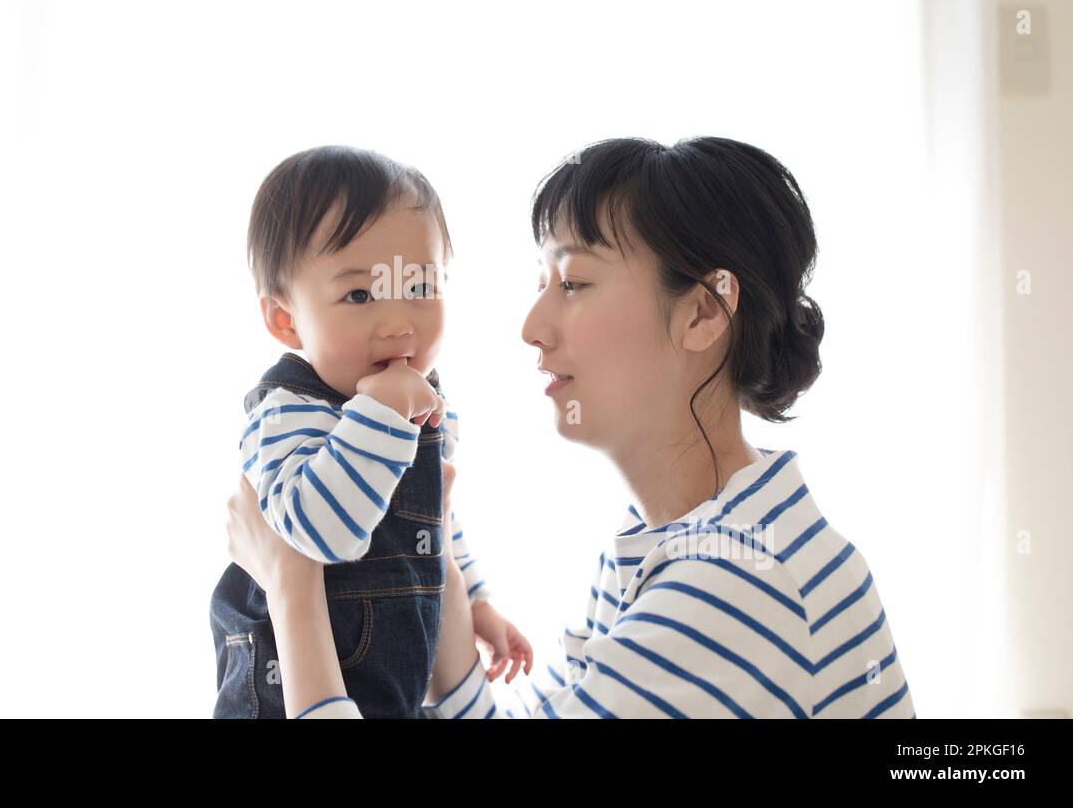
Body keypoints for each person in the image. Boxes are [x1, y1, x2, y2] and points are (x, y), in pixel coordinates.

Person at [224, 136, 917, 719]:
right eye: (540, 285)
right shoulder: (661, 543)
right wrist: (435, 561)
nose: (530, 328)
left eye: (574, 283)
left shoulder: (736, 586)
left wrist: (292, 586)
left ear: (704, 313)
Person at [210, 145, 532, 719]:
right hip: (283, 694)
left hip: (392, 680)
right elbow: (319, 534)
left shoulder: (421, 400)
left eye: (420, 288)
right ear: (286, 319)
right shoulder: (286, 411)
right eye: (359, 294)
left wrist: (475, 600)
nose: (398, 321)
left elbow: (434, 520)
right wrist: (381, 416)